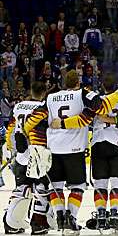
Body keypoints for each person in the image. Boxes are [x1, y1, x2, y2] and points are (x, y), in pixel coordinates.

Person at [24, 70, 118, 234]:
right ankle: (71, 219)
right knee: (77, 188)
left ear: (64, 83)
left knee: (56, 187)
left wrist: (24, 133)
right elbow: (103, 106)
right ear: (78, 82)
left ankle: (60, 217)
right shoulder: (83, 94)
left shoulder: (50, 97)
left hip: (53, 148)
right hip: (74, 150)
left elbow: (34, 118)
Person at [3, 82, 50, 235]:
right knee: (41, 189)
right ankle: (38, 224)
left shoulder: (19, 106)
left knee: (21, 189)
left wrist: (11, 148)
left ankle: (11, 223)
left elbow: (10, 129)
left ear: (31, 91)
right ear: (44, 92)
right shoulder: (44, 107)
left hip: (21, 155)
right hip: (38, 154)